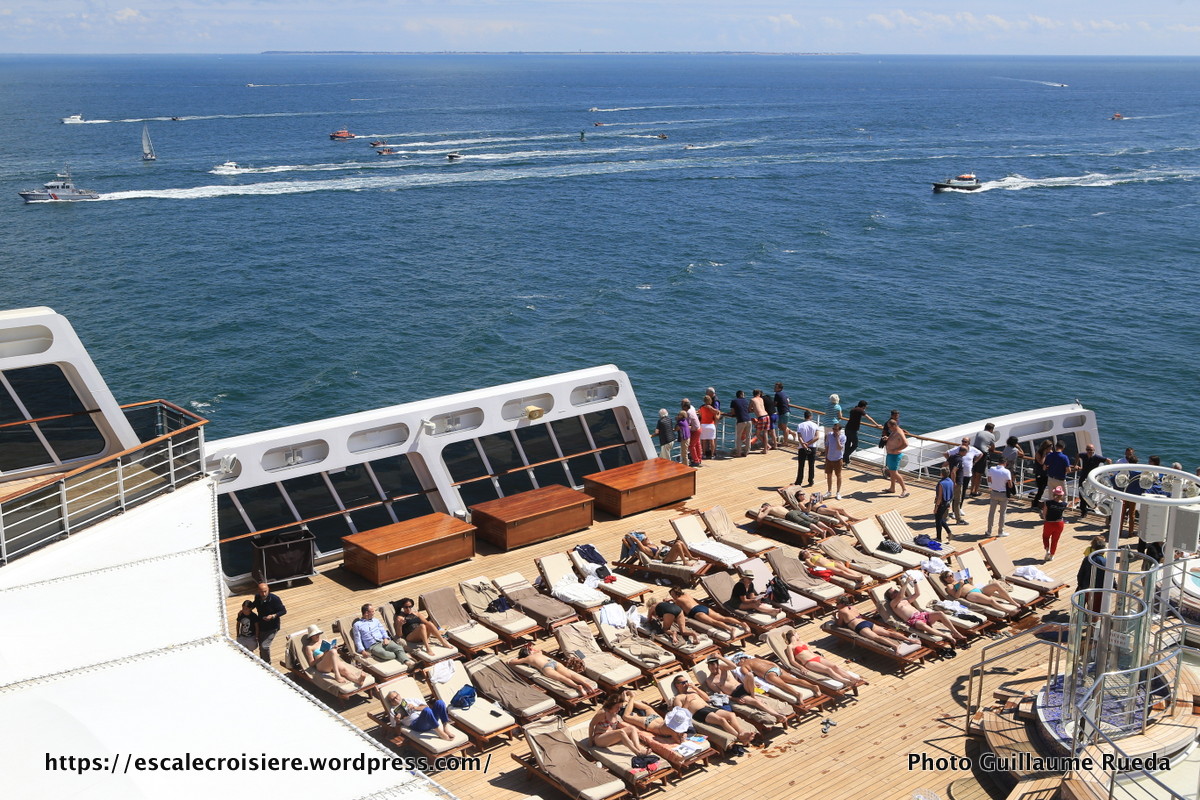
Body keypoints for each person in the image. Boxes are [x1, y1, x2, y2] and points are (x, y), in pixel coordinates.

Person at [670, 674, 755, 744]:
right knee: (722, 720)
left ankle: (742, 732)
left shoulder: (693, 691)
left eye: (686, 681)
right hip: (699, 713)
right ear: (677, 685)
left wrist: (695, 688)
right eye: (683, 682)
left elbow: (707, 699)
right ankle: (739, 737)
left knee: (731, 715)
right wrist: (687, 701)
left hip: (708, 708)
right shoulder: (678, 698)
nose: (686, 684)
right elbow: (680, 714)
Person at [703, 655, 790, 723]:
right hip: (737, 694)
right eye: (711, 668)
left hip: (743, 687)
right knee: (756, 702)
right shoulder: (710, 680)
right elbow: (721, 694)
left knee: (750, 675)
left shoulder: (723, 668)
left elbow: (733, 666)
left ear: (718, 664)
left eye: (714, 667)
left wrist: (719, 657)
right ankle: (777, 715)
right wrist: (735, 699)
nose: (713, 670)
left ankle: (753, 695)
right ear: (708, 667)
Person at [884, 576, 968, 646]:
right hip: (914, 620)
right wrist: (906, 582)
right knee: (921, 624)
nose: (896, 591)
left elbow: (917, 594)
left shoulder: (905, 600)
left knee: (940, 613)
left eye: (896, 590)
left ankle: (955, 632)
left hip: (923, 615)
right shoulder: (893, 604)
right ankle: (945, 635)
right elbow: (900, 595)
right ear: (891, 597)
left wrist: (915, 582)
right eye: (894, 592)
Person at [834, 596, 919, 654]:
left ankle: (895, 646)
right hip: (867, 622)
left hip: (859, 626)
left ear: (842, 604)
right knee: (889, 633)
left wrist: (835, 617)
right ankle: (910, 640)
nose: (836, 605)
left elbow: (839, 624)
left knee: (876, 638)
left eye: (837, 603)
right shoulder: (852, 607)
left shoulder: (841, 611)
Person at [782, 628, 864, 684]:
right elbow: (792, 661)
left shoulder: (802, 642)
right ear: (793, 634)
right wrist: (801, 667)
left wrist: (821, 657)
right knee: (828, 670)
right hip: (808, 662)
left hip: (816, 658)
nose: (798, 636)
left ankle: (852, 678)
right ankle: (845, 681)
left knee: (834, 666)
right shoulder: (790, 647)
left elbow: (811, 652)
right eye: (797, 634)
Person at [302, 624, 369, 687]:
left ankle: (358, 680)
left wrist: (335, 648)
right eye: (315, 634)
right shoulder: (309, 647)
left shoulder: (324, 641)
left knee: (344, 669)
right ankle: (337, 675)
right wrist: (324, 655)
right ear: (311, 636)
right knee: (332, 651)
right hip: (321, 665)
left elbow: (331, 651)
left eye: (318, 634)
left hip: (332, 662)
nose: (317, 635)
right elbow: (311, 664)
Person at [511, 644, 598, 694]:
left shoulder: (527, 659)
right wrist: (531, 649)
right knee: (570, 674)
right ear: (530, 651)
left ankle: (577, 687)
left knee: (562, 678)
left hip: (546, 667)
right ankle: (586, 684)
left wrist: (517, 658)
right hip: (554, 662)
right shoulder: (539, 653)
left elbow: (512, 662)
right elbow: (535, 650)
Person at [589, 694, 654, 754]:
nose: (619, 709)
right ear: (611, 705)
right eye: (617, 707)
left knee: (632, 728)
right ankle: (637, 752)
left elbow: (617, 724)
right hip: (600, 738)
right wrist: (590, 741)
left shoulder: (614, 712)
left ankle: (639, 748)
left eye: (620, 706)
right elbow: (591, 725)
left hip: (610, 736)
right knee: (621, 732)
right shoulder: (603, 713)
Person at [669, 587, 747, 636]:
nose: (672, 596)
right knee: (722, 618)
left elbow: (677, 607)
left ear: (676, 594)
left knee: (714, 622)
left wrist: (670, 600)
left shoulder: (678, 600)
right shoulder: (686, 594)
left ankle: (730, 629)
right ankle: (741, 623)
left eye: (672, 595)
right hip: (702, 607)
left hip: (696, 612)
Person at [616, 689, 684, 743]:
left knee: (646, 709)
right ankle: (631, 698)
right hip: (652, 723)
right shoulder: (675, 729)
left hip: (656, 720)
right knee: (626, 716)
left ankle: (629, 700)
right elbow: (680, 741)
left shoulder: (676, 727)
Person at [939, 572, 1019, 617]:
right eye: (949, 576)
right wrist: (960, 586)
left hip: (978, 590)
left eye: (952, 574)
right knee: (991, 600)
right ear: (945, 579)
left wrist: (970, 582)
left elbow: (971, 586)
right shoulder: (949, 586)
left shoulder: (959, 580)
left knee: (996, 584)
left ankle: (1012, 602)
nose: (952, 576)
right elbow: (956, 596)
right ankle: (1009, 611)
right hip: (970, 595)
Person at [382, 690, 454, 740]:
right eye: (392, 700)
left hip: (429, 718)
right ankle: (439, 732)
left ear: (399, 695)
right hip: (418, 725)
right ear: (391, 702)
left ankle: (445, 727)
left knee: (440, 702)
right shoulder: (393, 711)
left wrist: (416, 707)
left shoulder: (411, 700)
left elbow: (426, 706)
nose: (395, 699)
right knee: (427, 711)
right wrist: (397, 721)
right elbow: (396, 731)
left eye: (396, 696)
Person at [777, 485, 863, 525]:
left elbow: (820, 503)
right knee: (836, 512)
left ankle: (854, 519)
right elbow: (806, 511)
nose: (803, 495)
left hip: (823, 505)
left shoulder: (807, 499)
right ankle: (846, 524)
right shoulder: (801, 503)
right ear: (798, 497)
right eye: (801, 494)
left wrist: (820, 498)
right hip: (818, 509)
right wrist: (810, 502)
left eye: (803, 493)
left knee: (842, 509)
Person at [755, 502, 837, 538]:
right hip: (795, 511)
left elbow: (759, 519)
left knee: (805, 523)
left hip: (790, 515)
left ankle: (821, 531)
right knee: (811, 520)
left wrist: (760, 511)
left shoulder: (768, 509)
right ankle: (828, 528)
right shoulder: (776, 505)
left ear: (765, 506)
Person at [252, 582, 286, 662]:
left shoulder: (275, 599)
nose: (263, 594)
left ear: (268, 590)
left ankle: (267, 664)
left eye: (265, 591)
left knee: (264, 646)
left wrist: (273, 616)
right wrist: (245, 609)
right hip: (261, 625)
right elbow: (254, 604)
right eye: (261, 591)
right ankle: (263, 662)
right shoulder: (257, 597)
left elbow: (283, 611)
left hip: (272, 626)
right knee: (261, 645)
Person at [947, 437, 980, 518]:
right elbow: (946, 453)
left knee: (963, 492)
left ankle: (959, 508)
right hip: (958, 475)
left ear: (969, 442)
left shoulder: (972, 449)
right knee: (956, 494)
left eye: (965, 441)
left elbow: (980, 454)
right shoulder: (958, 449)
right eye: (962, 441)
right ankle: (954, 511)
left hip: (967, 474)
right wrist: (951, 462)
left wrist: (975, 461)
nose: (963, 442)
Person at [803, 547, 870, 587]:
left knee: (846, 569)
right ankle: (857, 578)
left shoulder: (816, 554)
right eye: (803, 552)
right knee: (841, 572)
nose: (805, 551)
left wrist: (836, 561)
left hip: (832, 563)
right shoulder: (807, 559)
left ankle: (859, 577)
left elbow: (827, 559)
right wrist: (822, 568)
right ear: (803, 556)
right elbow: (812, 566)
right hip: (826, 566)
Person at [624, 531, 699, 565]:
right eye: (644, 539)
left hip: (668, 554)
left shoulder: (650, 543)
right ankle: (684, 561)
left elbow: (644, 532)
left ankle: (690, 557)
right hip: (665, 559)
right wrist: (630, 536)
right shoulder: (645, 549)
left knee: (680, 542)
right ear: (642, 542)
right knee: (677, 545)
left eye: (646, 538)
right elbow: (637, 541)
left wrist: (636, 532)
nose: (647, 538)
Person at [1076, 444, 1110, 516]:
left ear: (1094, 450)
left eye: (1091, 450)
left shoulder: (1097, 457)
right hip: (1083, 477)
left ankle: (1090, 507)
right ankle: (1083, 511)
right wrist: (1076, 464)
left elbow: (1108, 460)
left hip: (1091, 479)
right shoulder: (1084, 455)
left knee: (1091, 494)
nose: (1089, 451)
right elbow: (1078, 455)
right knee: (1081, 494)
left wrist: (1108, 470)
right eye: (1088, 450)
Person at [843, 400, 877, 466]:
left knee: (847, 444)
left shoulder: (853, 409)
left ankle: (846, 460)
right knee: (855, 445)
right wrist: (876, 424)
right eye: (865, 407)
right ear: (863, 406)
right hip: (853, 430)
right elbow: (868, 418)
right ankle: (845, 456)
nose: (866, 408)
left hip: (847, 428)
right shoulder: (860, 411)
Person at [985, 460, 1013, 537]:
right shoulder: (1007, 471)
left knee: (991, 513)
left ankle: (989, 531)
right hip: (1003, 494)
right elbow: (1010, 485)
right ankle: (1000, 532)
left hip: (994, 492)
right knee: (1002, 514)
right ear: (1005, 463)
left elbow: (989, 480)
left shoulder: (992, 469)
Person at [970, 423, 999, 497]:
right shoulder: (992, 435)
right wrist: (989, 447)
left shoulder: (979, 433)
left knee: (974, 473)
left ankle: (971, 490)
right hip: (982, 454)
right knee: (979, 474)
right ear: (991, 429)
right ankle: (975, 492)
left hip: (974, 453)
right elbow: (993, 448)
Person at [884, 419, 910, 498]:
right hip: (890, 454)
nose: (889, 429)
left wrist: (896, 449)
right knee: (892, 472)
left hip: (895, 456)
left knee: (895, 473)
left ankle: (904, 490)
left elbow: (906, 443)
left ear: (894, 426)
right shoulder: (894, 431)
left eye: (890, 427)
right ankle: (892, 488)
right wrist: (887, 439)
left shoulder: (899, 432)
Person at [1041, 485, 1068, 561]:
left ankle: (1047, 550)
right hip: (1059, 524)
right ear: (1061, 495)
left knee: (1045, 537)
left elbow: (1044, 513)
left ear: (1054, 494)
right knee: (1055, 540)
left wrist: (1045, 519)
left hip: (1049, 523)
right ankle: (1052, 555)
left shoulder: (1048, 503)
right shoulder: (1064, 504)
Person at [794, 410, 819, 486]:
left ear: (804, 416)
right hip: (812, 447)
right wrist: (808, 444)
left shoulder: (800, 425)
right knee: (811, 465)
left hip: (802, 447)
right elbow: (817, 437)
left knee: (801, 465)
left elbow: (799, 437)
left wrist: (804, 445)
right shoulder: (815, 425)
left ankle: (799, 481)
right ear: (810, 416)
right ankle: (811, 480)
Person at [824, 423, 846, 499]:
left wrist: (837, 438)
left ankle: (838, 492)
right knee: (829, 475)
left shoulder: (843, 437)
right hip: (829, 458)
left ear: (840, 430)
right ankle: (829, 491)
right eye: (833, 429)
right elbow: (827, 446)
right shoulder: (829, 435)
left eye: (836, 429)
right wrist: (826, 457)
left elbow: (840, 448)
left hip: (838, 459)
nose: (834, 431)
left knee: (838, 476)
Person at [729, 390, 753, 458]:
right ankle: (746, 452)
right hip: (749, 420)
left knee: (738, 437)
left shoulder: (734, 401)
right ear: (742, 395)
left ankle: (738, 453)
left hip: (741, 420)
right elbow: (748, 409)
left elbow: (733, 412)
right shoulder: (746, 401)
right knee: (748, 436)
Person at [933, 467, 954, 542]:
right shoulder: (950, 481)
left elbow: (939, 497)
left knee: (938, 520)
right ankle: (949, 533)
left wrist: (936, 507)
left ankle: (939, 538)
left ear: (942, 474)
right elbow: (951, 493)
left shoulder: (941, 483)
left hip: (941, 504)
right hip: (947, 502)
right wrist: (949, 504)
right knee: (940, 518)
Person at [1031, 440, 1053, 509]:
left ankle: (1047, 504)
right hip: (1040, 474)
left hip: (1047, 474)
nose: (1051, 449)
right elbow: (1041, 462)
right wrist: (1044, 454)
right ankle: (1035, 504)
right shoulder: (1038, 453)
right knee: (1040, 490)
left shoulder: (1050, 453)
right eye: (1050, 448)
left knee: (1049, 489)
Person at [698, 395, 721, 460]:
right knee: (712, 440)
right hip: (711, 425)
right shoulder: (712, 408)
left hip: (703, 425)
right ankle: (712, 455)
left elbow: (700, 415)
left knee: (704, 441)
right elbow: (717, 412)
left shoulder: (701, 408)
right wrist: (719, 414)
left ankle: (704, 454)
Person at [749, 389, 771, 454]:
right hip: (767, 416)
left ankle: (767, 446)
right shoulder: (761, 399)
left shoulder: (752, 400)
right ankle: (766, 448)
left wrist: (753, 410)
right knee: (765, 433)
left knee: (758, 434)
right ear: (759, 394)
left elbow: (749, 409)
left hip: (761, 417)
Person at [682, 398, 703, 466]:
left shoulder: (688, 413)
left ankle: (696, 461)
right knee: (697, 444)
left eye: (682, 404)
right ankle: (699, 459)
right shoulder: (692, 408)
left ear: (685, 406)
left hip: (695, 430)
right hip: (698, 428)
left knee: (691, 446)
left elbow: (687, 424)